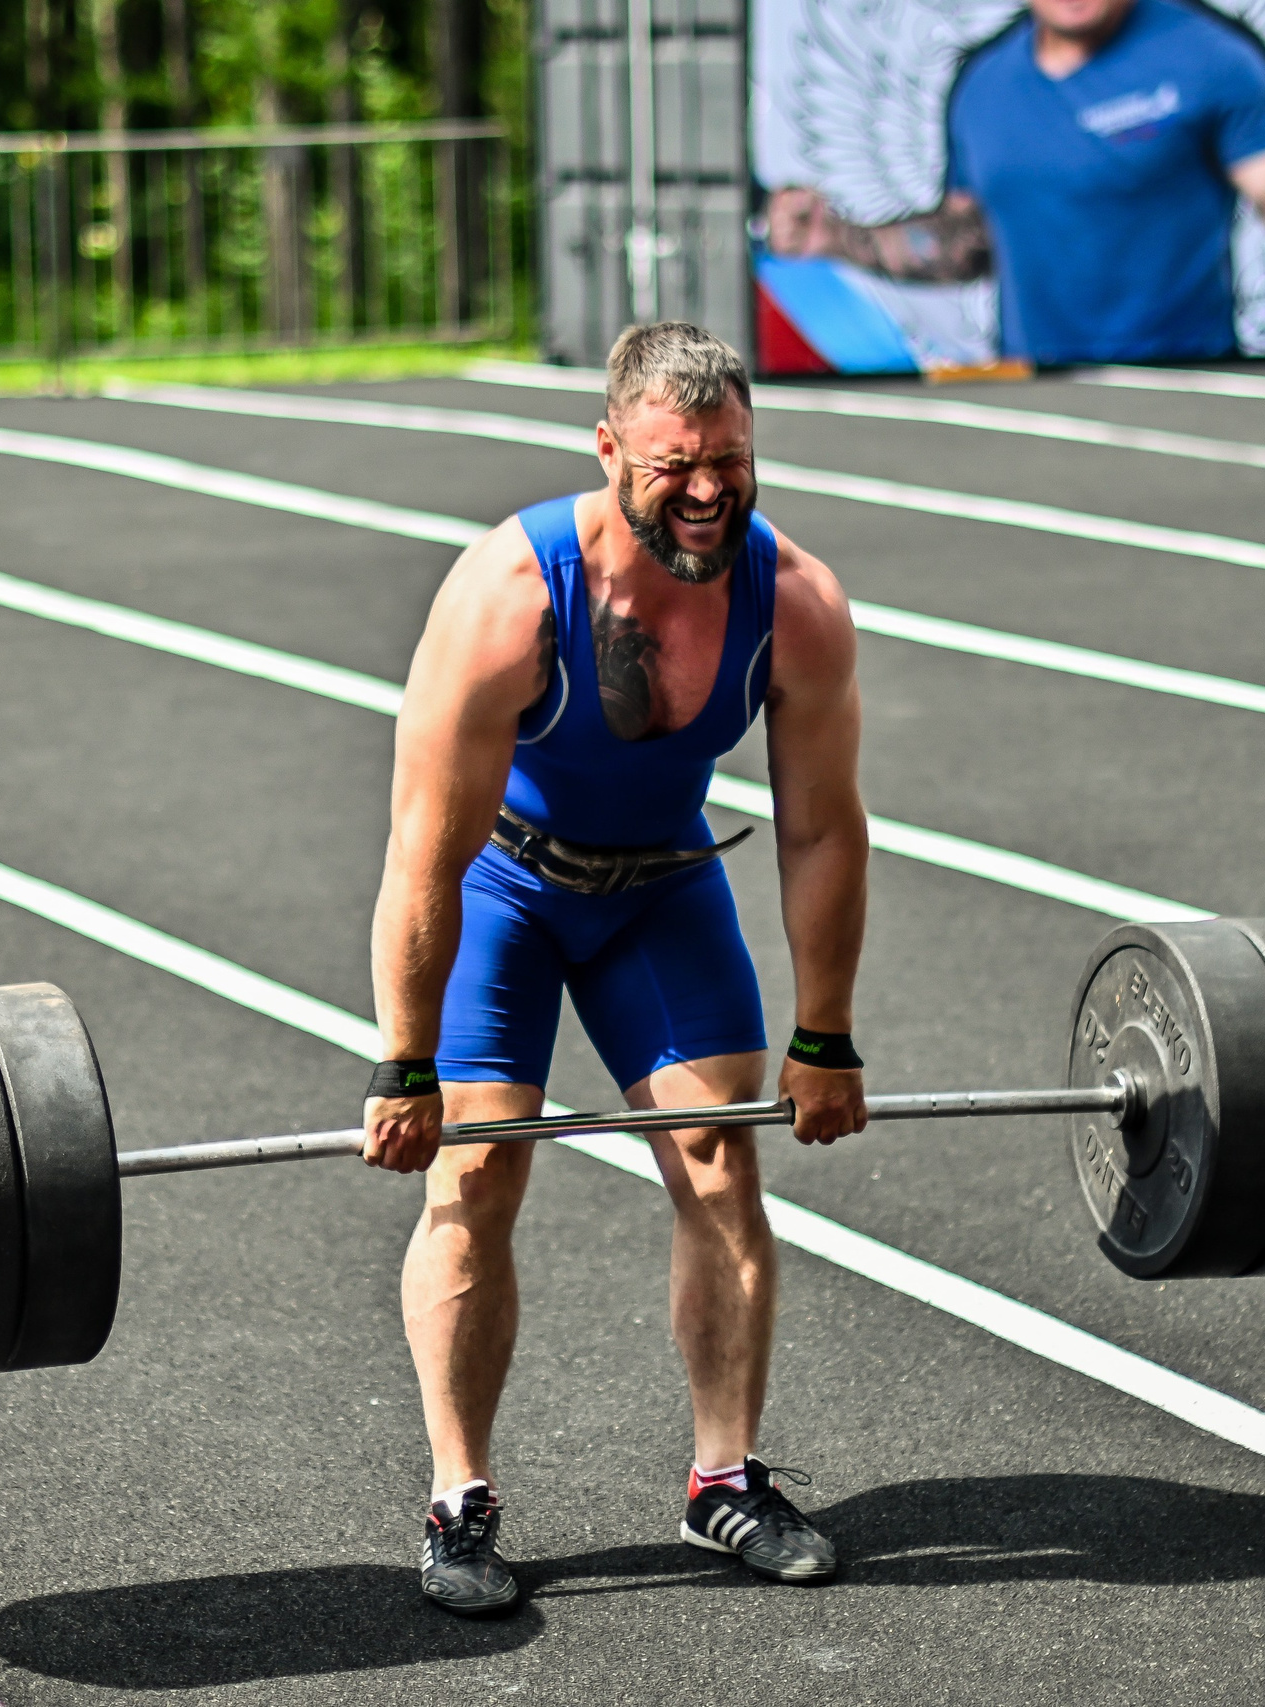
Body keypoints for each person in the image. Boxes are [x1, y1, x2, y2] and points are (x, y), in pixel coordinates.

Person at [361, 321, 872, 1616]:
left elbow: (821, 823)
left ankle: (724, 1478)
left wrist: (827, 1034)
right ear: (609, 451)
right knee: (477, 1172)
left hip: (662, 882)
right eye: (675, 465)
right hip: (504, 883)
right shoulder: (512, 596)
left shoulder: (792, 600)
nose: (706, 491)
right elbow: (427, 848)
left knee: (721, 1159)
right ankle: (459, 1499)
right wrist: (406, 1059)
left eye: (730, 464)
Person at [764, 0, 1265, 366]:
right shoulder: (984, 85)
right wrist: (839, 237)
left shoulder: (1207, 54)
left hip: (1185, 389)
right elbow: (969, 240)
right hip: (1038, 399)